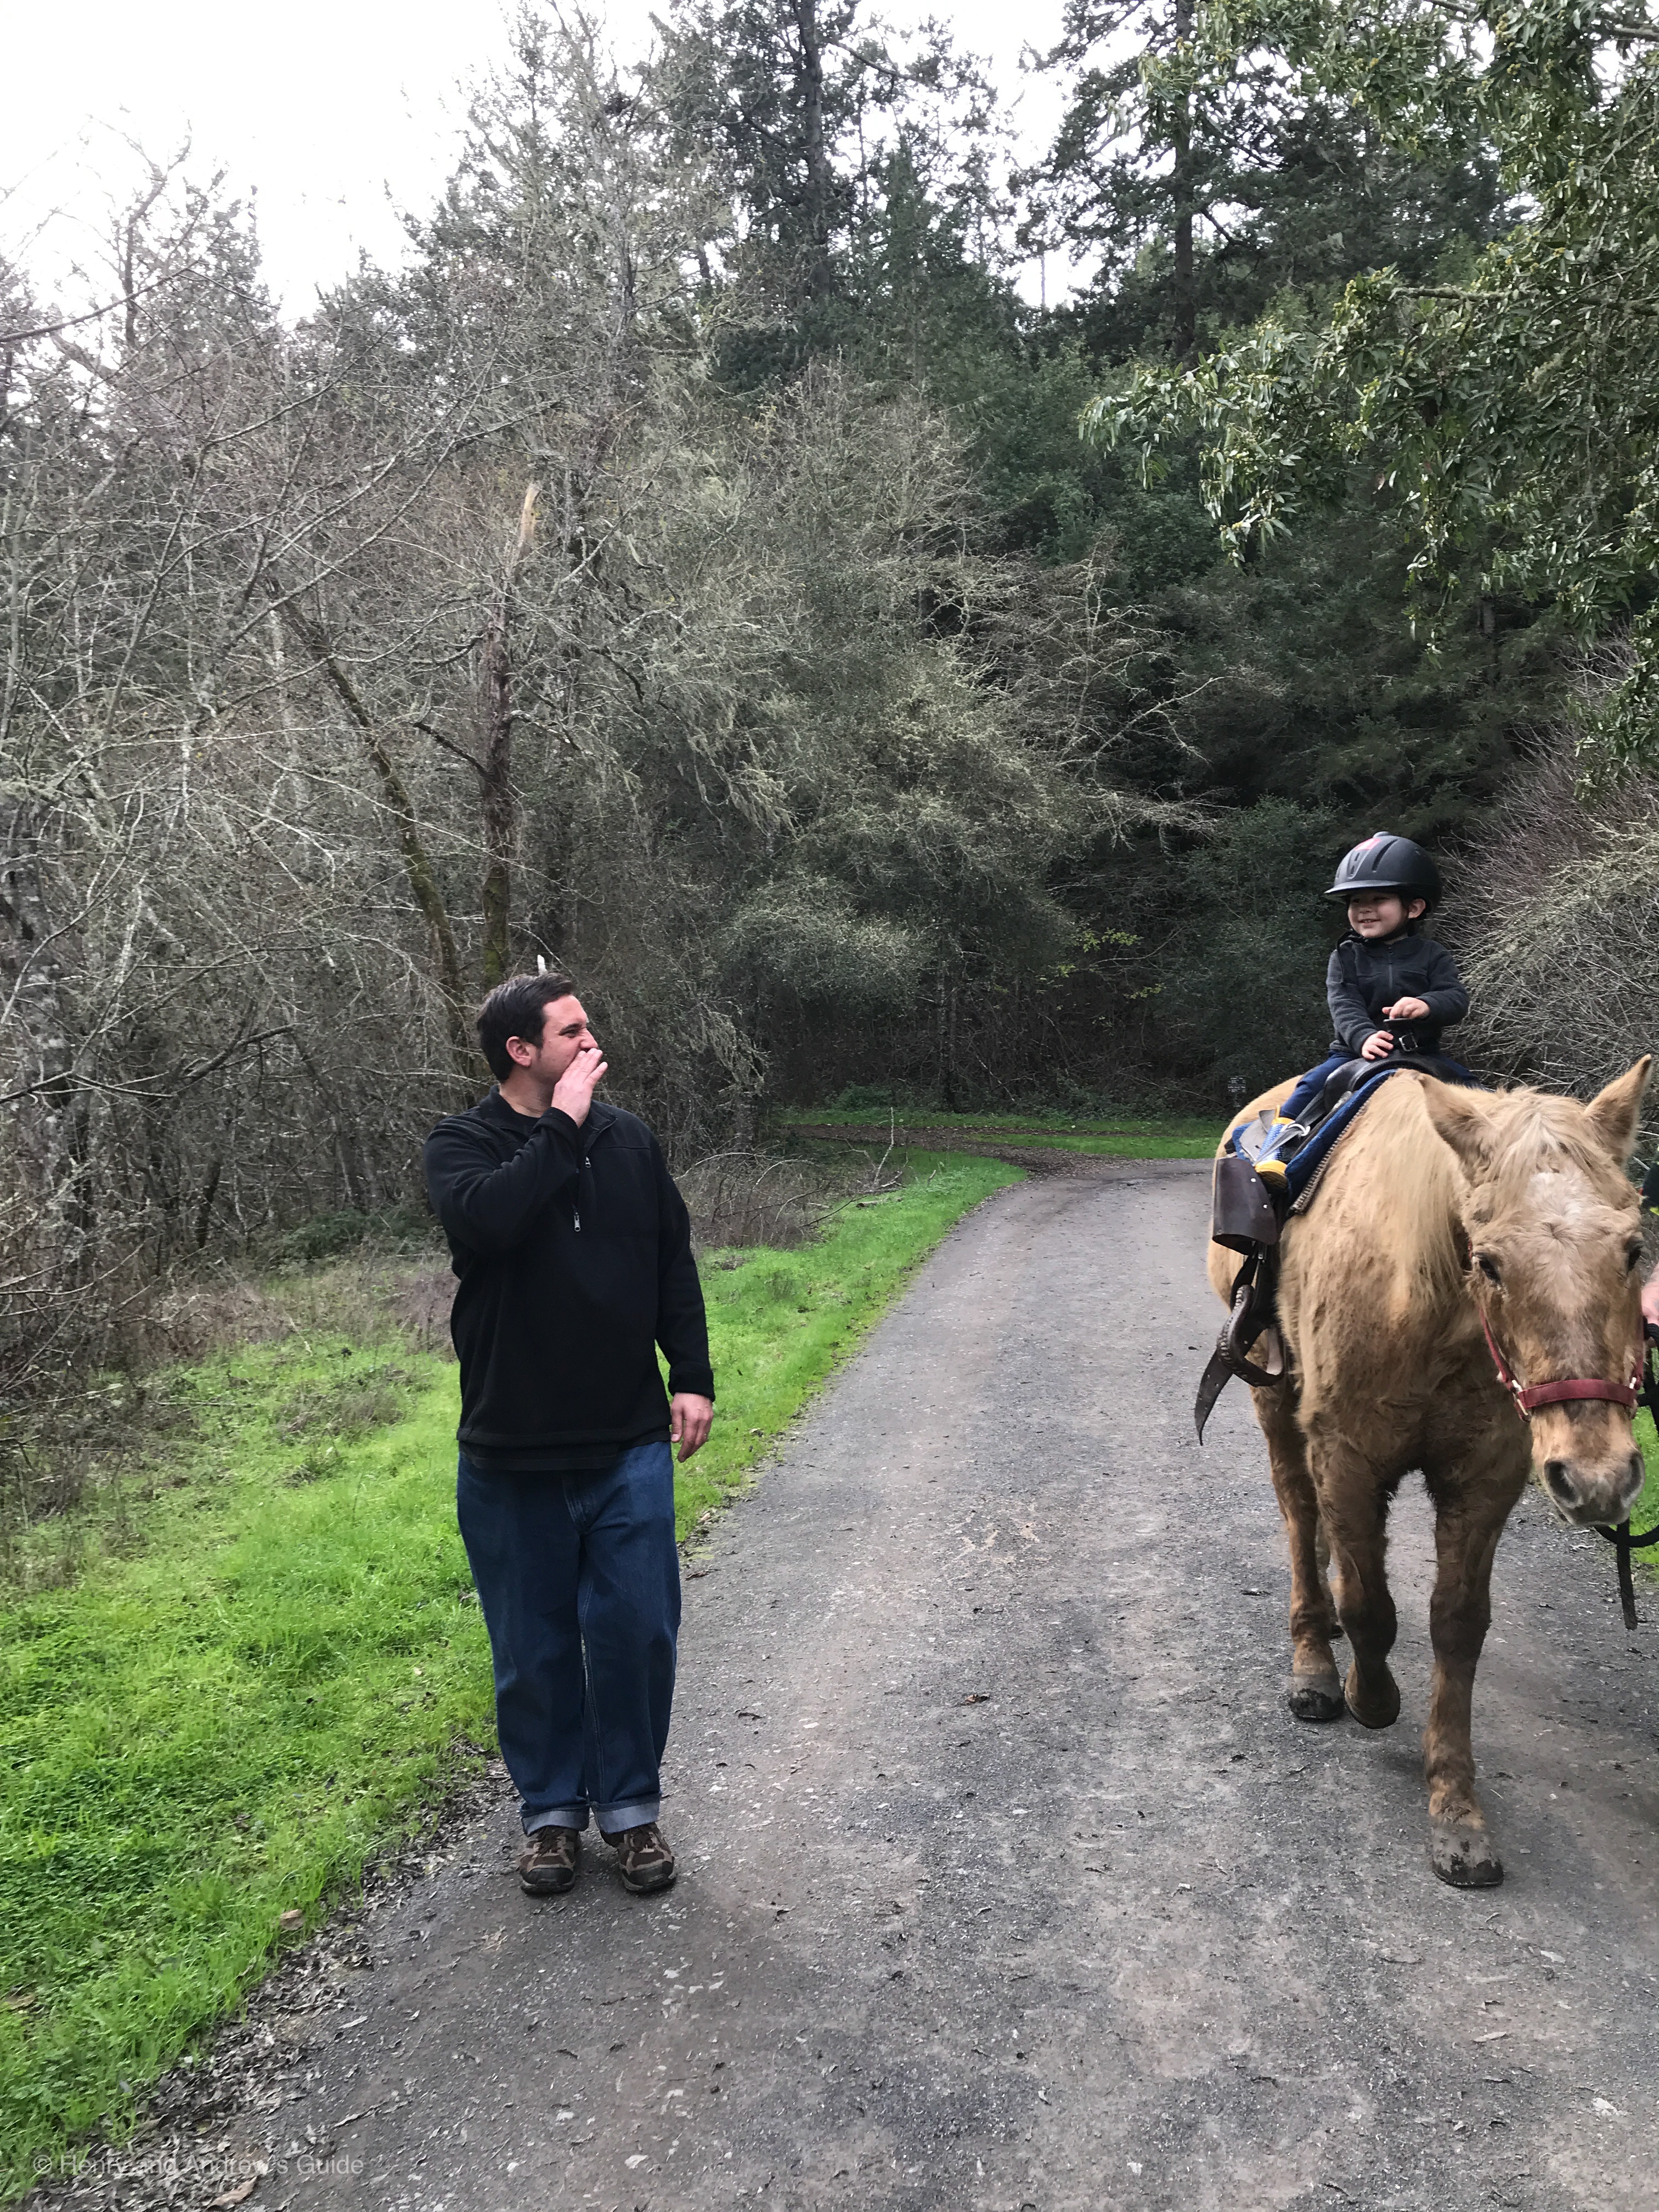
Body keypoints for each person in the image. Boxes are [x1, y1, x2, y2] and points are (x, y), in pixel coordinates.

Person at [423, 971, 714, 1899]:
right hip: (510, 1453)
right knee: (531, 1648)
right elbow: (488, 1223)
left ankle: (630, 1813)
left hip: (626, 1440)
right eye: (572, 1030)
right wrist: (562, 1127)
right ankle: (550, 1814)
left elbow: (670, 1257)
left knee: (637, 1633)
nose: (592, 1043)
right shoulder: (461, 1144)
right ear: (521, 1050)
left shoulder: (630, 1141)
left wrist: (693, 1375)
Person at [1255, 833, 1470, 1184]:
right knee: (1311, 1085)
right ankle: (1277, 1147)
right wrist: (1364, 1037)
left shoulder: (1434, 955)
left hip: (1422, 1055)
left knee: (1474, 1090)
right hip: (1354, 1054)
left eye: (1379, 898)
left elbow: (1455, 998)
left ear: (1414, 908)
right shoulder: (1344, 957)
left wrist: (1427, 1004)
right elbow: (1344, 1005)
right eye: (1356, 901)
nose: (1364, 908)